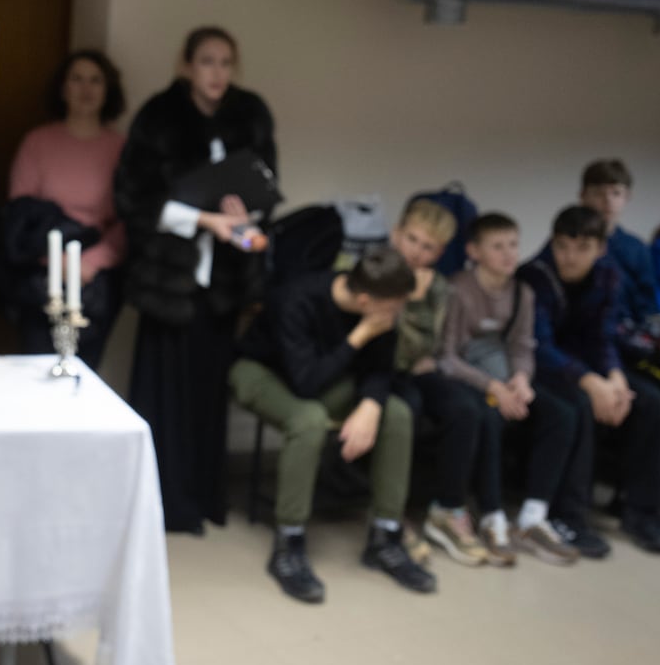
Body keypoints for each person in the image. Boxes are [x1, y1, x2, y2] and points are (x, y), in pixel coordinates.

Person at [113, 26, 275, 532]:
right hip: (170, 279)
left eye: (226, 62)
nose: (217, 73)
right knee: (164, 393)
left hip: (224, 281)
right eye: (207, 61)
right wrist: (205, 220)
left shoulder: (250, 115)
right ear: (186, 65)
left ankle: (205, 496)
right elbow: (134, 201)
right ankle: (161, 503)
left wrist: (243, 217)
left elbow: (266, 190)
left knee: (209, 393)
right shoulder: (159, 116)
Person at [229, 246, 433, 602]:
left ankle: (386, 536)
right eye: (393, 306)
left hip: (328, 374)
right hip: (262, 371)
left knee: (394, 412)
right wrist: (361, 335)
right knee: (308, 419)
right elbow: (305, 383)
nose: (398, 312)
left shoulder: (381, 312)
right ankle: (288, 544)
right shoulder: (297, 299)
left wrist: (370, 405)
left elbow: (379, 369)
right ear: (367, 300)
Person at [437, 213, 580, 566]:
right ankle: (491, 514)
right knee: (487, 416)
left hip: (506, 377)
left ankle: (534, 514)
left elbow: (521, 347)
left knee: (562, 413)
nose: (508, 254)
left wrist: (521, 381)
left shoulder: (522, 293)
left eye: (513, 245)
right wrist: (494, 388)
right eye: (497, 246)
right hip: (470, 377)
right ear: (474, 251)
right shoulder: (458, 289)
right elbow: (447, 357)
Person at [519, 205, 660, 554]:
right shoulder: (534, 276)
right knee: (580, 405)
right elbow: (539, 345)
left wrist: (614, 378)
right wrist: (591, 383)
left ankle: (638, 509)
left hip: (588, 364)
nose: (570, 257)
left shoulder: (608, 275)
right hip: (543, 366)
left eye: (582, 248)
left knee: (651, 401)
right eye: (563, 246)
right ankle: (570, 515)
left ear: (600, 249)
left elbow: (604, 336)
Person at [384, 199, 501, 566]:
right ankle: (390, 514)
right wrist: (412, 303)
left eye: (428, 247)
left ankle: (447, 510)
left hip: (417, 369)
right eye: (412, 240)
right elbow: (393, 347)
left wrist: (418, 309)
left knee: (466, 409)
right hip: (377, 370)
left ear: (440, 252)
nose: (417, 252)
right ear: (396, 235)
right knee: (408, 409)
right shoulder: (377, 269)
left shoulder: (438, 287)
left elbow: (430, 347)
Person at [7, 50, 128, 368]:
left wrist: (90, 262)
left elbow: (128, 219)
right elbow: (20, 216)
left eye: (95, 80)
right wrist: (57, 262)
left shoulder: (121, 147)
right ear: (63, 88)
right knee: (36, 369)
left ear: (108, 89)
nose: (86, 89)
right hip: (42, 276)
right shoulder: (38, 142)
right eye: (77, 79)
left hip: (96, 279)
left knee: (84, 372)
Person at [579, 159, 658, 322]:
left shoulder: (636, 248)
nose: (607, 201)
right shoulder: (568, 243)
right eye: (598, 193)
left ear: (627, 197)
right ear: (583, 196)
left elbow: (648, 303)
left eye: (616, 193)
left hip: (628, 333)